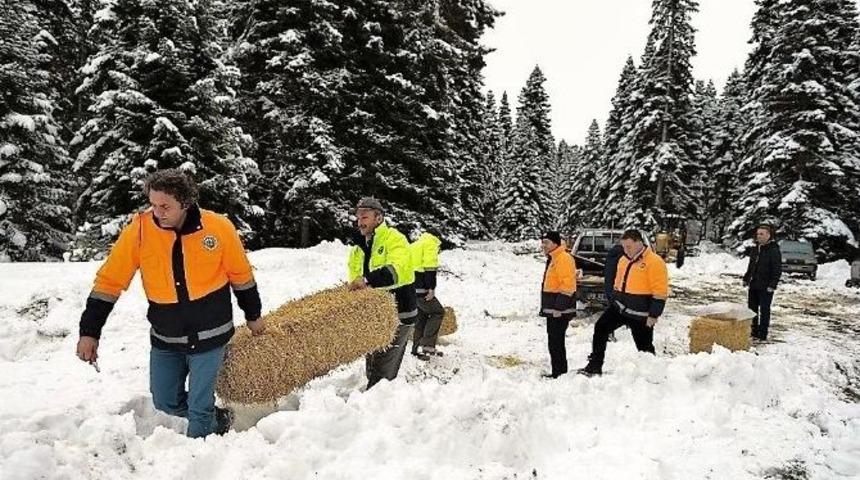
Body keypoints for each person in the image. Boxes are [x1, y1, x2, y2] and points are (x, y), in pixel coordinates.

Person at [76, 169, 265, 438]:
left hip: (210, 336)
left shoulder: (219, 228)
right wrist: (89, 332)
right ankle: (218, 420)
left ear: (185, 203)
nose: (157, 212)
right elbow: (109, 282)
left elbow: (241, 276)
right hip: (166, 338)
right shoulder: (139, 231)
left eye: (165, 206)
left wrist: (253, 316)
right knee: (165, 401)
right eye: (153, 205)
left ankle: (197, 460)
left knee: (199, 411)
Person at [347, 197, 418, 389]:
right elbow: (355, 280)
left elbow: (399, 271)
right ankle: (371, 402)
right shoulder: (358, 248)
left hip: (398, 313)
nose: (360, 222)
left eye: (365, 217)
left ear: (378, 218)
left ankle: (376, 409)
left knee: (383, 371)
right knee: (372, 362)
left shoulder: (394, 239)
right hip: (375, 316)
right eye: (358, 218)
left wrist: (368, 280)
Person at [578, 229, 668, 377]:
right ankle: (594, 366)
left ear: (639, 243)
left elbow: (660, 292)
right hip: (620, 309)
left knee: (644, 347)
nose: (626, 250)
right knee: (600, 328)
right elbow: (618, 283)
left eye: (629, 246)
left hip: (641, 314)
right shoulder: (623, 260)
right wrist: (614, 298)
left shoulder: (654, 262)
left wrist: (654, 314)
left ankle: (652, 375)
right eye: (624, 247)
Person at [539, 231, 577, 378]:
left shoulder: (563, 258)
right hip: (554, 309)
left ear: (555, 243)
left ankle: (559, 373)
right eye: (542, 242)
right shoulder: (554, 258)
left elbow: (568, 285)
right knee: (554, 341)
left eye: (546, 242)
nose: (543, 245)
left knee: (556, 341)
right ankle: (558, 371)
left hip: (559, 310)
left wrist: (559, 308)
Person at [409, 229, 445, 360]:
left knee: (422, 317)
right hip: (421, 287)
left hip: (410, 287)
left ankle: (416, 349)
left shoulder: (415, 245)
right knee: (437, 312)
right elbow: (430, 267)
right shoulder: (430, 243)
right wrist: (431, 287)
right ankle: (428, 346)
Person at [742, 224, 782, 340]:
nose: (759, 236)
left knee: (764, 310)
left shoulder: (773, 250)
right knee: (752, 309)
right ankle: (753, 331)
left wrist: (772, 284)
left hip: (766, 286)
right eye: (758, 234)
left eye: (762, 234)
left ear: (768, 235)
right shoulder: (756, 248)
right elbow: (751, 265)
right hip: (754, 283)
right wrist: (746, 278)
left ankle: (763, 333)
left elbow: (777, 269)